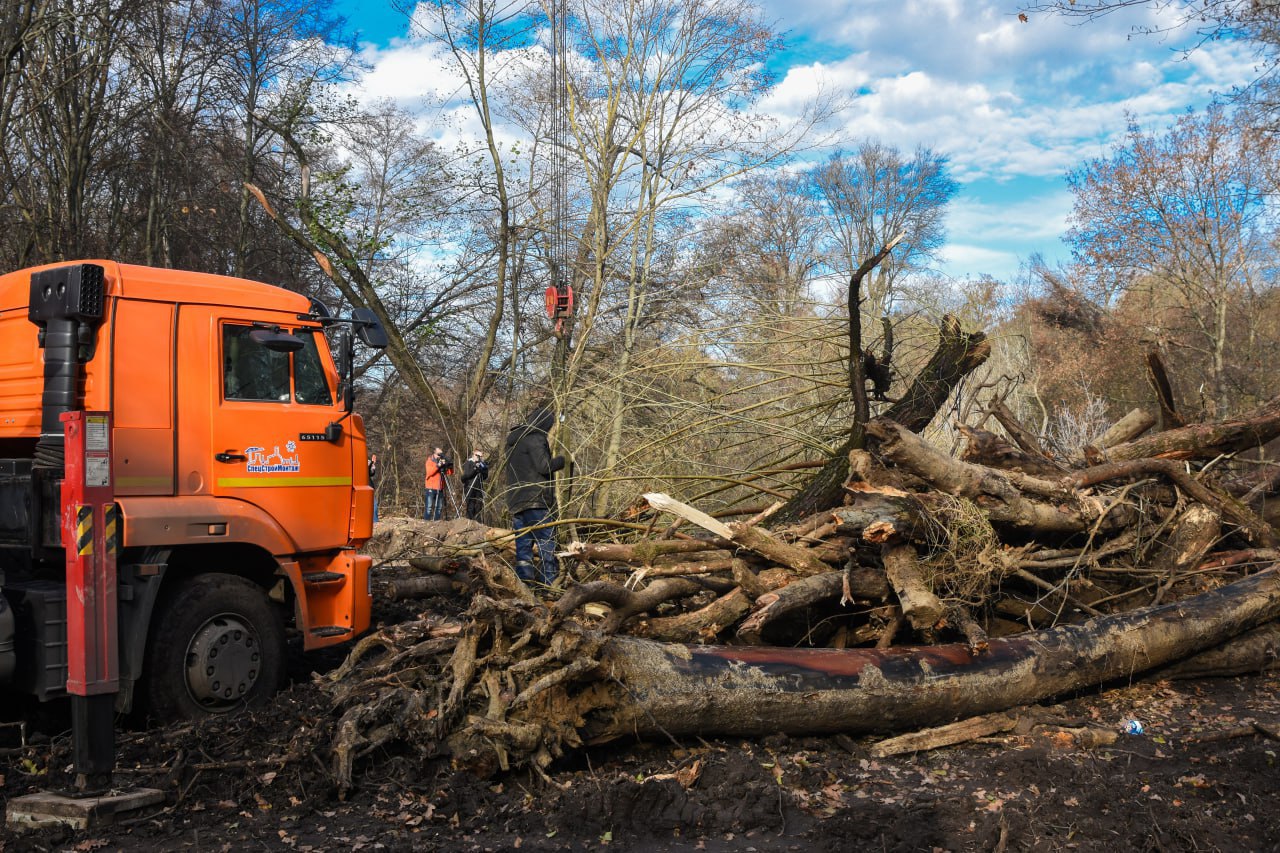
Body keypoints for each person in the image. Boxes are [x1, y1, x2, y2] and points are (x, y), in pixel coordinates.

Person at [503, 404, 564, 585]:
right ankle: (549, 585)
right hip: (535, 499)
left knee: (523, 548)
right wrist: (562, 460)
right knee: (546, 542)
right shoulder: (535, 438)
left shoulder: (513, 441)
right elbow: (544, 466)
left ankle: (525, 585)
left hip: (515, 501)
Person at [460, 450, 489, 521]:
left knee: (479, 506)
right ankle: (470, 522)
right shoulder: (468, 462)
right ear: (473, 455)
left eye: (481, 456)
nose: (479, 458)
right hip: (470, 486)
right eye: (477, 456)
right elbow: (467, 475)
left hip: (479, 487)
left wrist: (483, 469)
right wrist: (475, 468)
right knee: (471, 506)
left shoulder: (481, 463)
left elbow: (485, 476)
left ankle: (478, 522)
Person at [423, 447, 450, 521]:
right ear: (434, 453)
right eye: (438, 454)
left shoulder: (441, 461)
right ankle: (426, 521)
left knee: (439, 507)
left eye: (441, 454)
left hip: (440, 487)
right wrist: (438, 465)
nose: (440, 456)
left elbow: (449, 473)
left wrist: (449, 466)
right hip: (431, 487)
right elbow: (429, 472)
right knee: (429, 506)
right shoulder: (429, 461)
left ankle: (436, 522)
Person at [368, 452, 380, 523]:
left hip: (369, 487)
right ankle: (374, 521)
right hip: (362, 487)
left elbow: (371, 473)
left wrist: (372, 464)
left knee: (374, 504)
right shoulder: (357, 462)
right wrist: (372, 463)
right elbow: (366, 468)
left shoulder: (368, 462)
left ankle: (375, 521)